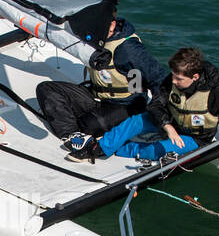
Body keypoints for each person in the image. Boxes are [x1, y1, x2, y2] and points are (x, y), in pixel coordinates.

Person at [67, 47, 219, 163]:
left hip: (195, 137)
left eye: (179, 78)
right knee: (137, 121)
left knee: (156, 151)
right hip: (170, 121)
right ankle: (99, 148)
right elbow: (156, 104)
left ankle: (122, 150)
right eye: (173, 76)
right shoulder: (170, 82)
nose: (174, 81)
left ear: (195, 77)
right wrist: (167, 126)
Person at [34, 15, 169, 152]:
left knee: (89, 124)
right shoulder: (93, 39)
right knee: (46, 89)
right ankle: (73, 135)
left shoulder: (130, 50)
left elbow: (160, 80)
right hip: (98, 96)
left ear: (112, 25)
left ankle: (73, 126)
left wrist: (161, 117)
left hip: (127, 105)